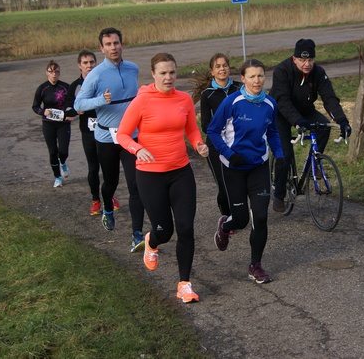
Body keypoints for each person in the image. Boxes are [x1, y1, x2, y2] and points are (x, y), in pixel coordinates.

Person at [116, 53, 209, 303]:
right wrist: (138, 148)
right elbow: (123, 135)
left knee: (186, 228)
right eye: (163, 73)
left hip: (181, 171)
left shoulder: (184, 99)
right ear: (153, 75)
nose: (169, 77)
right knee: (164, 231)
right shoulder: (142, 101)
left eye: (172, 72)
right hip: (150, 175)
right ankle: (151, 241)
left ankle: (184, 284)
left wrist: (198, 144)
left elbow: (190, 128)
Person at [207, 58, 284, 284]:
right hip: (234, 168)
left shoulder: (270, 103)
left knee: (260, 217)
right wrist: (229, 154)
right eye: (252, 76)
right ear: (243, 79)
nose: (257, 80)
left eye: (260, 75)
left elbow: (272, 133)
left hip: (258, 166)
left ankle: (255, 265)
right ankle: (226, 226)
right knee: (240, 220)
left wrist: (279, 155)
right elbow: (212, 131)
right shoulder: (232, 102)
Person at [74, 27, 145, 253]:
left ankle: (137, 234)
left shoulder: (133, 69)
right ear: (101, 48)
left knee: (136, 185)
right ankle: (107, 207)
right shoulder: (95, 74)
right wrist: (100, 100)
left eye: (116, 43)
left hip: (130, 136)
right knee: (111, 183)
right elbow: (78, 105)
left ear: (122, 44)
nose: (113, 48)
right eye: (108, 44)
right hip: (106, 136)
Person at [269, 38, 350, 213]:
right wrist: (297, 121)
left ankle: (315, 161)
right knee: (285, 154)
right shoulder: (282, 70)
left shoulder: (318, 72)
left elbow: (329, 98)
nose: (307, 64)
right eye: (303, 60)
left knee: (323, 126)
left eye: (310, 60)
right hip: (281, 114)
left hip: (305, 110)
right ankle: (279, 194)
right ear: (295, 59)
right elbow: (282, 100)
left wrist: (342, 120)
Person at [65, 49, 120, 216]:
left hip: (106, 130)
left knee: (109, 167)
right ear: (79, 66)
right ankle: (95, 200)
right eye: (85, 63)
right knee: (93, 167)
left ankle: (109, 196)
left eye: (92, 62)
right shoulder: (75, 86)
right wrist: (76, 111)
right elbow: (69, 107)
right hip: (88, 132)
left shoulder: (102, 80)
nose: (89, 66)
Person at [198, 53, 242, 220]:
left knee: (239, 182)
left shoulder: (239, 88)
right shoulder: (207, 94)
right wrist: (222, 131)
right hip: (216, 146)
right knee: (224, 185)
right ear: (212, 71)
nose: (222, 69)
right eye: (218, 66)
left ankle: (240, 213)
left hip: (238, 143)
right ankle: (226, 217)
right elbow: (205, 124)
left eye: (225, 65)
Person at [32, 60, 72, 188]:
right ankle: (57, 177)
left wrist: (69, 113)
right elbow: (35, 106)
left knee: (63, 150)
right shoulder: (42, 89)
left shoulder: (66, 87)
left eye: (56, 72)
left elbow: (72, 103)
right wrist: (44, 111)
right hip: (48, 123)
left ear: (59, 73)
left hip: (63, 123)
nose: (54, 74)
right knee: (52, 151)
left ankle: (63, 162)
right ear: (46, 73)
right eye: (51, 72)